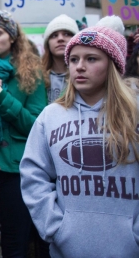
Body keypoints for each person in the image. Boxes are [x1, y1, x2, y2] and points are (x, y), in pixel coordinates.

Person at [20, 22, 139, 257]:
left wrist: (134, 234)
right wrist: (55, 228)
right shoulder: (50, 116)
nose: (79, 67)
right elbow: (34, 175)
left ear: (113, 65)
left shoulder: (134, 113)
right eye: (73, 60)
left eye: (91, 59)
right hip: (66, 246)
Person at [0, 9, 46, 258]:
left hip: (18, 169)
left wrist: (0, 96)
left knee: (14, 244)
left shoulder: (31, 72)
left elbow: (35, 125)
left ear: (12, 37)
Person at [42, 14, 79, 104]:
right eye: (54, 35)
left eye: (66, 34)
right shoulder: (37, 76)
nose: (60, 39)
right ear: (48, 44)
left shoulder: (83, 74)